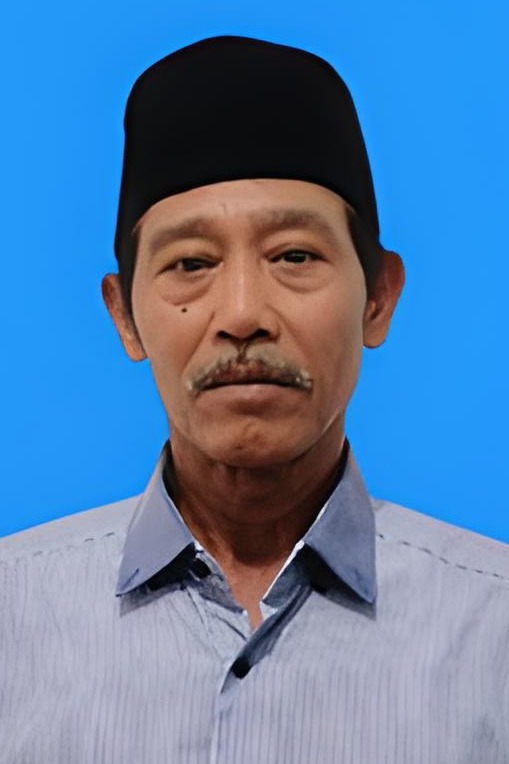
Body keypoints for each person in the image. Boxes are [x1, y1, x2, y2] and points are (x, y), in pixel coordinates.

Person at [1, 35, 508, 764]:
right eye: (190, 262)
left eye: (294, 255)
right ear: (125, 317)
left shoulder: (493, 630)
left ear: (377, 299)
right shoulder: (12, 618)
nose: (242, 314)